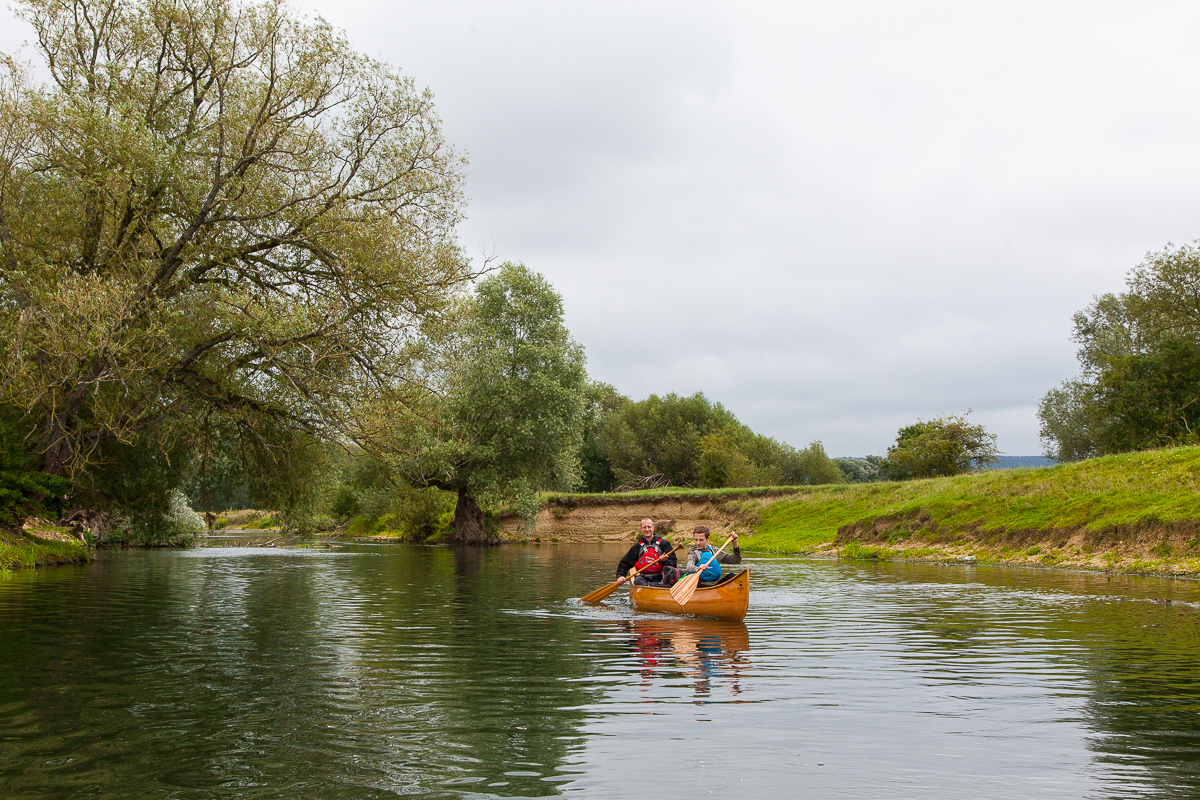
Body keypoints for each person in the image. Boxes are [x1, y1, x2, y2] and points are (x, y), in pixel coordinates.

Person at [669, 526, 740, 586]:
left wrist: (734, 543)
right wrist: (697, 568)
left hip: (714, 584)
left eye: (701, 540)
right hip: (699, 584)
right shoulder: (693, 552)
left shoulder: (714, 551)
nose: (698, 543)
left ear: (708, 539)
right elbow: (689, 566)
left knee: (732, 576)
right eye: (696, 540)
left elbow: (736, 560)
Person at [616, 518, 677, 586]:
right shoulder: (637, 547)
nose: (647, 529)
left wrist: (664, 561)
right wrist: (620, 575)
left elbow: (674, 564)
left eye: (649, 527)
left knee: (669, 584)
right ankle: (647, 588)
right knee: (637, 581)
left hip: (661, 579)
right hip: (643, 579)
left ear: (653, 528)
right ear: (641, 529)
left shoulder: (665, 544)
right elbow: (625, 563)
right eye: (644, 527)